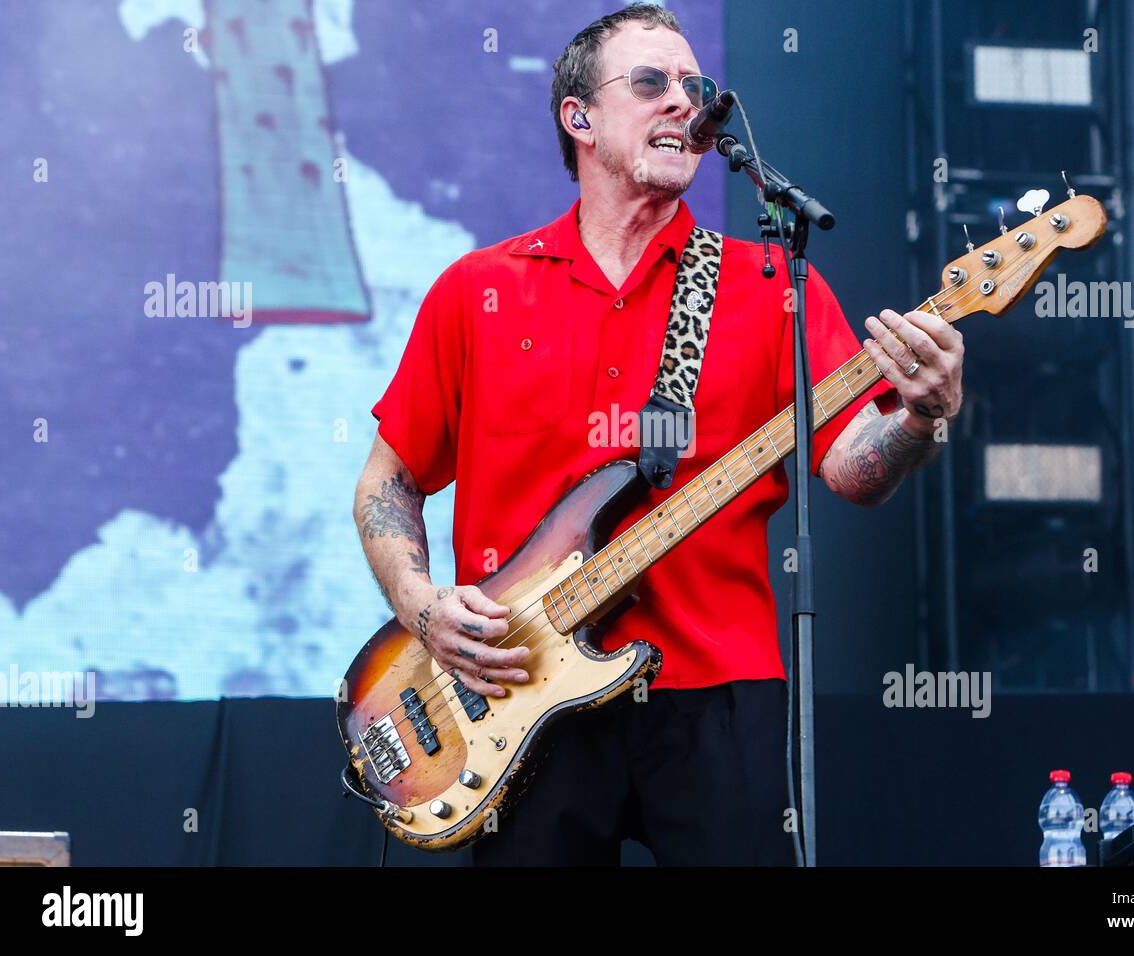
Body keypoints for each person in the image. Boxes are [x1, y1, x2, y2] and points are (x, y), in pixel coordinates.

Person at [354, 4, 964, 866]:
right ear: (580, 118)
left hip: (720, 690)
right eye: (651, 83)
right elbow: (388, 482)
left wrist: (923, 417)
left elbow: (855, 469)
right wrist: (424, 613)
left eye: (695, 85)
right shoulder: (478, 289)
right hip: (520, 689)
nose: (684, 101)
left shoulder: (766, 283)